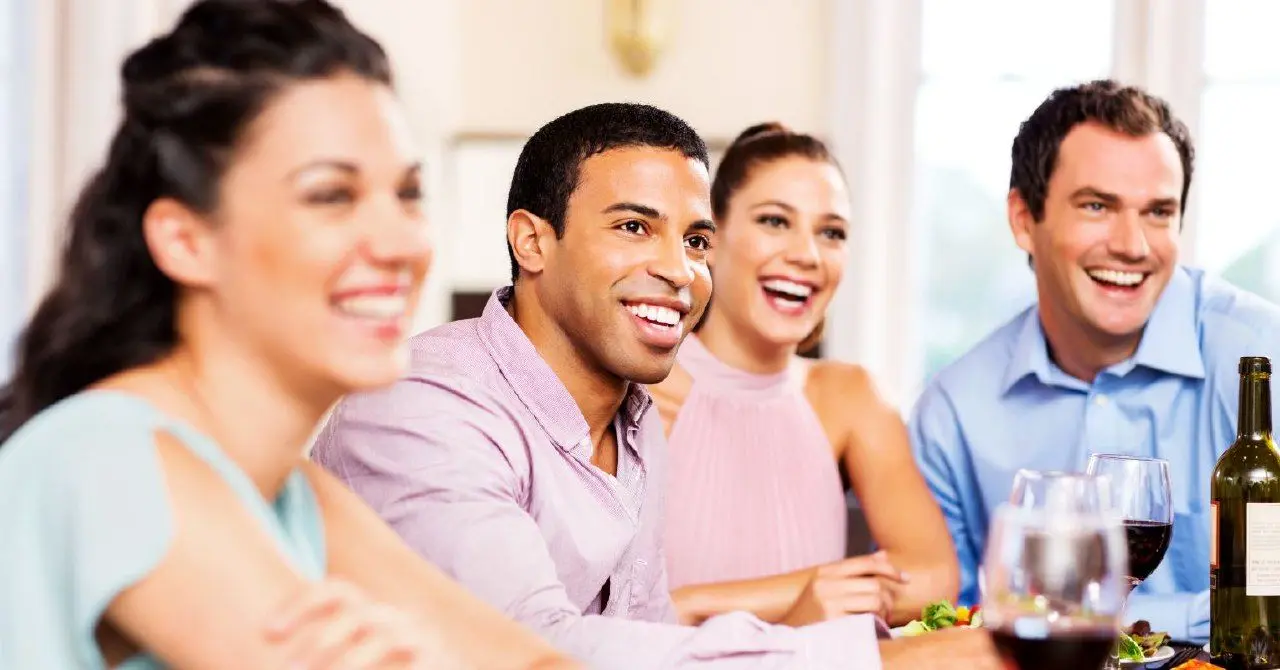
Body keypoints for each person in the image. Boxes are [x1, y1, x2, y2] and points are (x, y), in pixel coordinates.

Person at [313, 102, 1001, 669]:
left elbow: (648, 637)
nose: (679, 270)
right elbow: (527, 647)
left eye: (696, 241)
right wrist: (890, 662)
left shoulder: (633, 421)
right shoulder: (422, 402)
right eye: (634, 227)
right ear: (532, 242)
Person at [0, 2, 576, 668]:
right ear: (186, 241)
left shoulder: (290, 495)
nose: (400, 243)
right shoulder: (112, 460)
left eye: (407, 194)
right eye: (331, 196)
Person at [909, 79, 1280, 643]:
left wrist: (1099, 622)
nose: (1132, 245)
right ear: (1023, 218)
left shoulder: (1261, 356)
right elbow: (943, 628)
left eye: (1158, 212)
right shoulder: (953, 413)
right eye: (1097, 206)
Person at [649, 122, 958, 628]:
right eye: (774, 221)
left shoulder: (851, 398)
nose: (807, 255)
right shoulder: (637, 394)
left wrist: (694, 605)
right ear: (710, 237)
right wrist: (809, 600)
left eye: (831, 233)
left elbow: (932, 576)